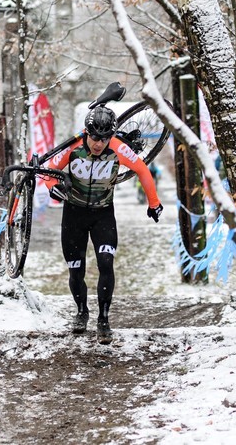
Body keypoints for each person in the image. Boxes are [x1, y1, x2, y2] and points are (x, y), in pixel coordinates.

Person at [44, 104, 163, 344]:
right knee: (75, 269)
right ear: (86, 133)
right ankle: (81, 312)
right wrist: (53, 187)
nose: (99, 143)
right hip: (73, 215)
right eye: (95, 137)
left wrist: (154, 203)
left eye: (104, 138)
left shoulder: (118, 148)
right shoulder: (72, 148)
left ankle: (104, 320)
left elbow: (142, 170)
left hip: (103, 215)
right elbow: (49, 170)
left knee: (106, 264)